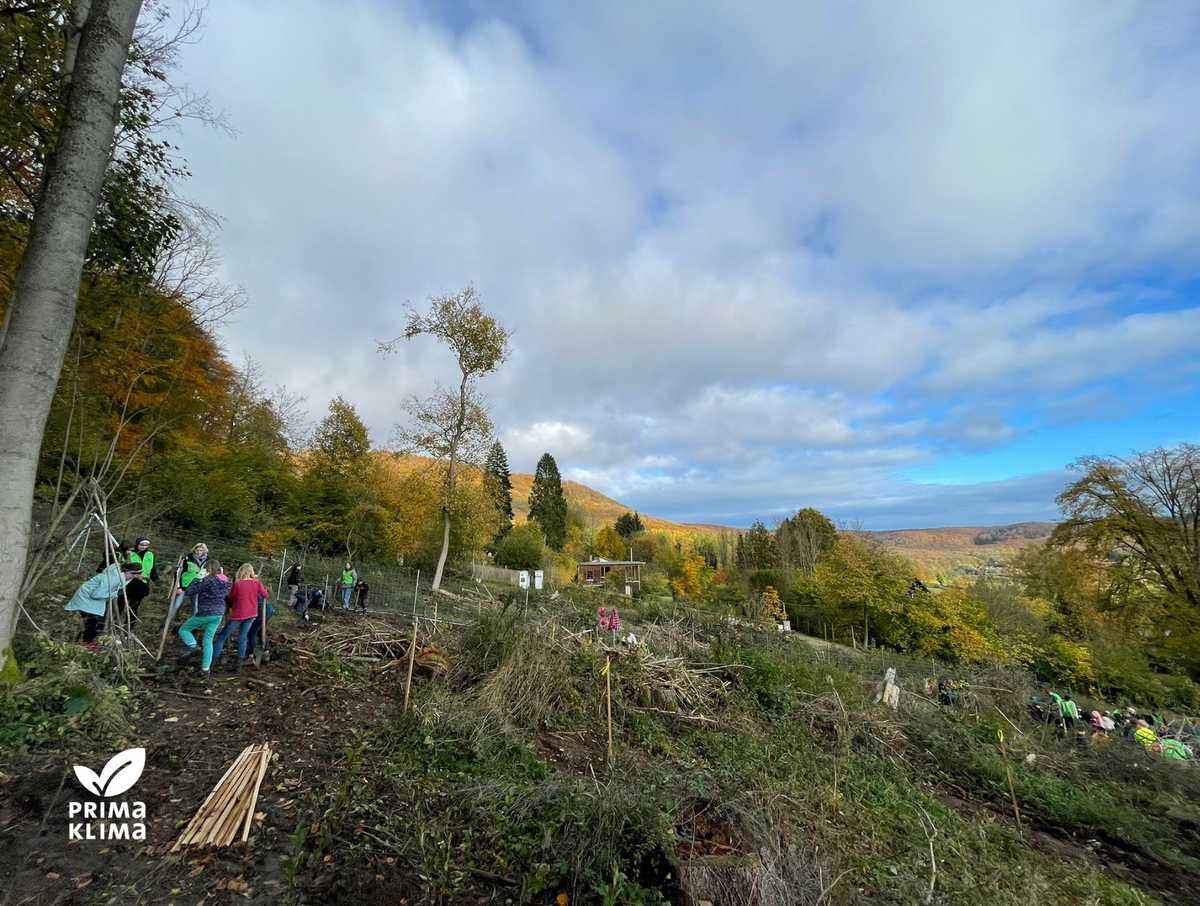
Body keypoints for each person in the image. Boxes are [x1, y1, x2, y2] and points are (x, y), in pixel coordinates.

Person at [65, 562, 141, 650]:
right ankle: (84, 643)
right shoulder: (114, 578)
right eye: (134, 576)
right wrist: (114, 594)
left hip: (93, 601)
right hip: (86, 598)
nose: (134, 578)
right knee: (95, 623)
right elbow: (97, 594)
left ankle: (85, 642)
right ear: (129, 573)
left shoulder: (122, 576)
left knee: (94, 624)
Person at [212, 564, 271, 671]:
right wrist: (265, 591)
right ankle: (238, 664)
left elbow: (231, 598)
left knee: (222, 637)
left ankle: (213, 661)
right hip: (252, 614)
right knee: (242, 637)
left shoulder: (238, 584)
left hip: (239, 614)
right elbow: (265, 595)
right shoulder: (257, 582)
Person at [178, 558, 229, 680]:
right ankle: (205, 669)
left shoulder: (208, 581)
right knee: (208, 640)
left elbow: (189, 591)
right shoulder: (227, 580)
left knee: (184, 630)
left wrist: (197, 578)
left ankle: (193, 646)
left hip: (205, 612)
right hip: (219, 613)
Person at [120, 536, 158, 626]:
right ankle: (114, 623)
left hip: (142, 584)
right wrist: (135, 575)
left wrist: (156, 579)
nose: (144, 547)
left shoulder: (150, 555)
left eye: (146, 545)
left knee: (134, 607)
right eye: (142, 545)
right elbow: (123, 566)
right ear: (137, 544)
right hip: (128, 582)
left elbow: (153, 570)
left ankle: (128, 628)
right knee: (120, 604)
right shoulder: (129, 553)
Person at [168, 543, 210, 622]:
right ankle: (167, 622)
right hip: (184, 586)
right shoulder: (187, 559)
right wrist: (178, 587)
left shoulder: (208, 561)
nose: (199, 552)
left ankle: (192, 625)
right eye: (197, 550)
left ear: (204, 551)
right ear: (194, 550)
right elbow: (178, 573)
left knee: (195, 607)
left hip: (197, 587)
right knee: (176, 605)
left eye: (201, 550)